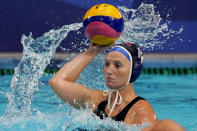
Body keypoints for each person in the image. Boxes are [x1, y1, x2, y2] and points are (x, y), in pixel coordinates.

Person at [49, 43, 185, 131]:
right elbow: (57, 82)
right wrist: (91, 52)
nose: (109, 70)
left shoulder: (140, 111)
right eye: (107, 64)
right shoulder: (97, 100)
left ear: (133, 71)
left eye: (117, 65)